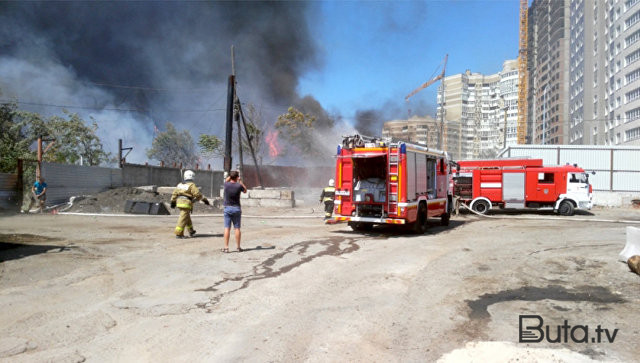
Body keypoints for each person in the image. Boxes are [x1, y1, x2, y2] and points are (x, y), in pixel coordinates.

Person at [170, 170, 209, 239]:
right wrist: (204, 200)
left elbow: (174, 193)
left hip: (179, 202)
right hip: (186, 203)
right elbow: (197, 194)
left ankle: (191, 231)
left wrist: (173, 202)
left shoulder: (180, 184)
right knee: (182, 218)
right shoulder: (191, 185)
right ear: (192, 177)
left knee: (186, 217)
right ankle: (179, 234)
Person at [222, 170, 247, 253]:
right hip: (236, 209)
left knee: (227, 228)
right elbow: (245, 190)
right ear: (237, 177)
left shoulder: (226, 185)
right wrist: (240, 181)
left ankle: (226, 247)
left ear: (230, 177)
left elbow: (227, 180)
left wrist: (232, 175)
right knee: (237, 228)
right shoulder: (239, 186)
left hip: (227, 208)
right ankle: (238, 247)